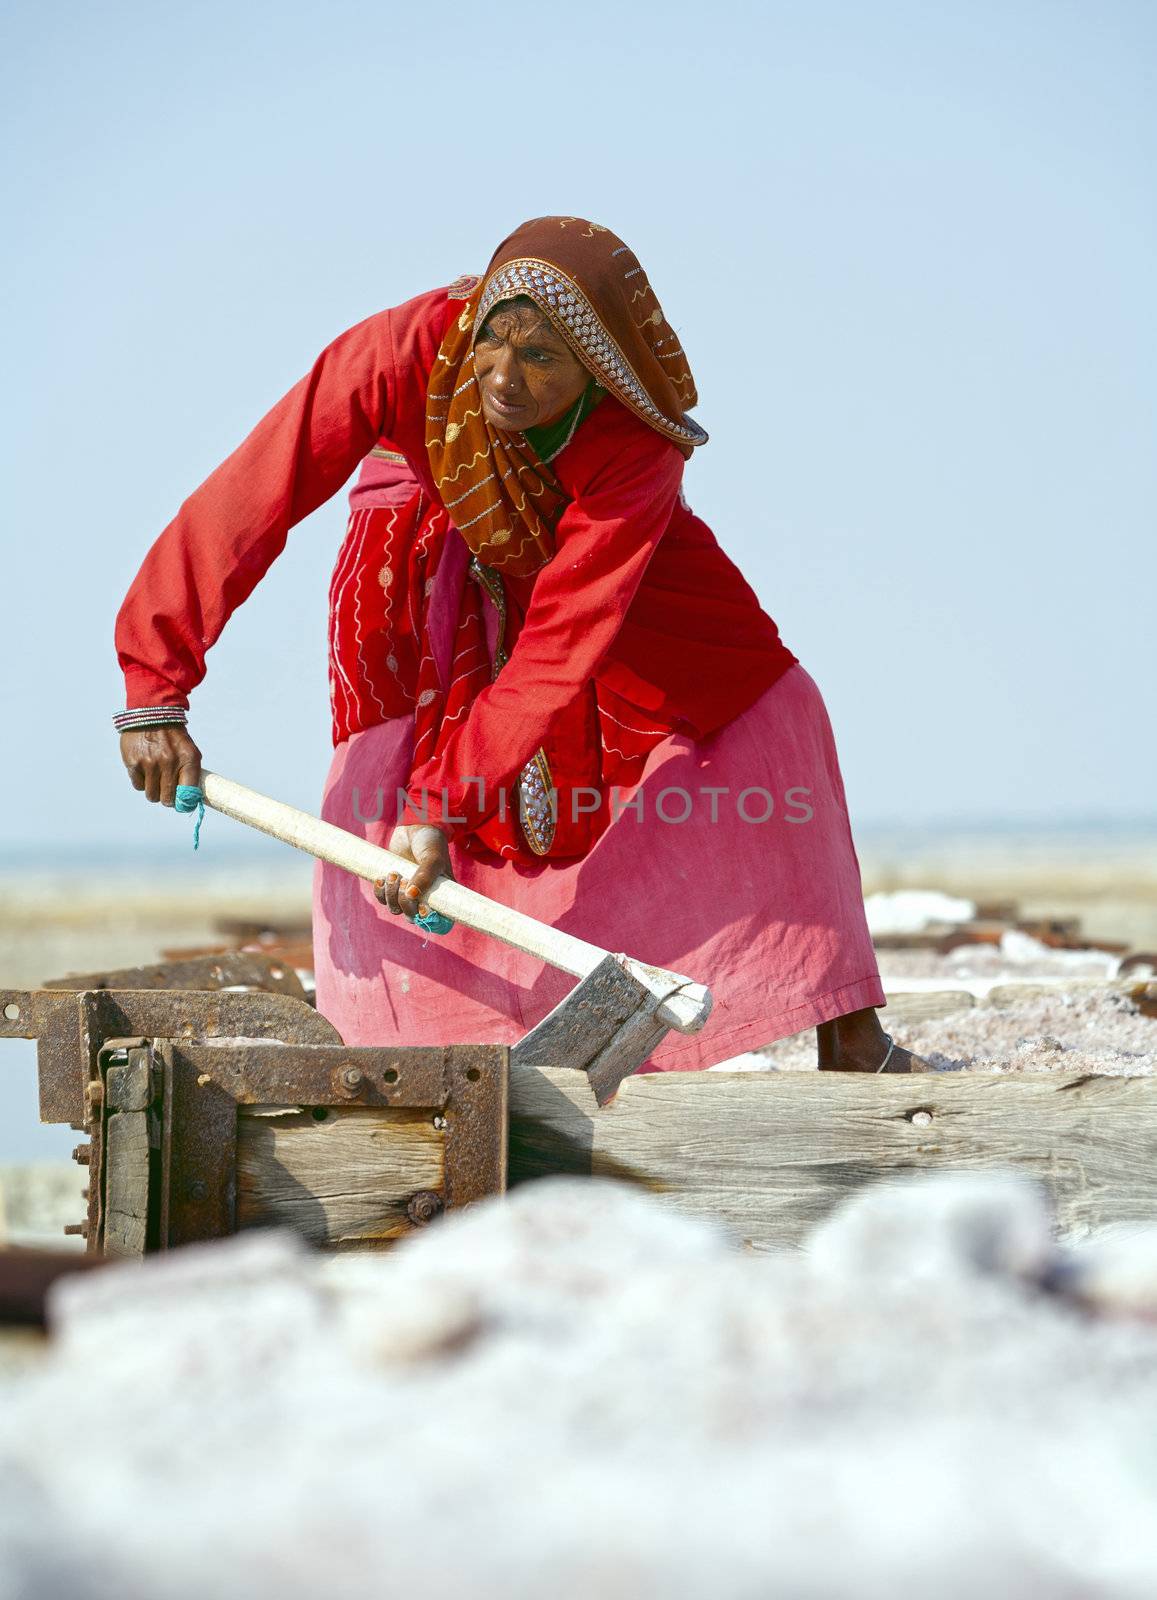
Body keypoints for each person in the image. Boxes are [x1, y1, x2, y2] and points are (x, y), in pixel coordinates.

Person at [115, 216, 922, 1073]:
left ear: (598, 369)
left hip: (579, 545)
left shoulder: (632, 448)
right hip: (420, 509)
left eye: (543, 361)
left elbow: (560, 644)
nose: (504, 378)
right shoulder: (396, 352)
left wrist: (442, 805)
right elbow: (248, 500)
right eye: (494, 343)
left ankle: (850, 1035)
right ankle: (410, 1046)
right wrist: (153, 688)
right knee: (389, 725)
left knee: (766, 700)